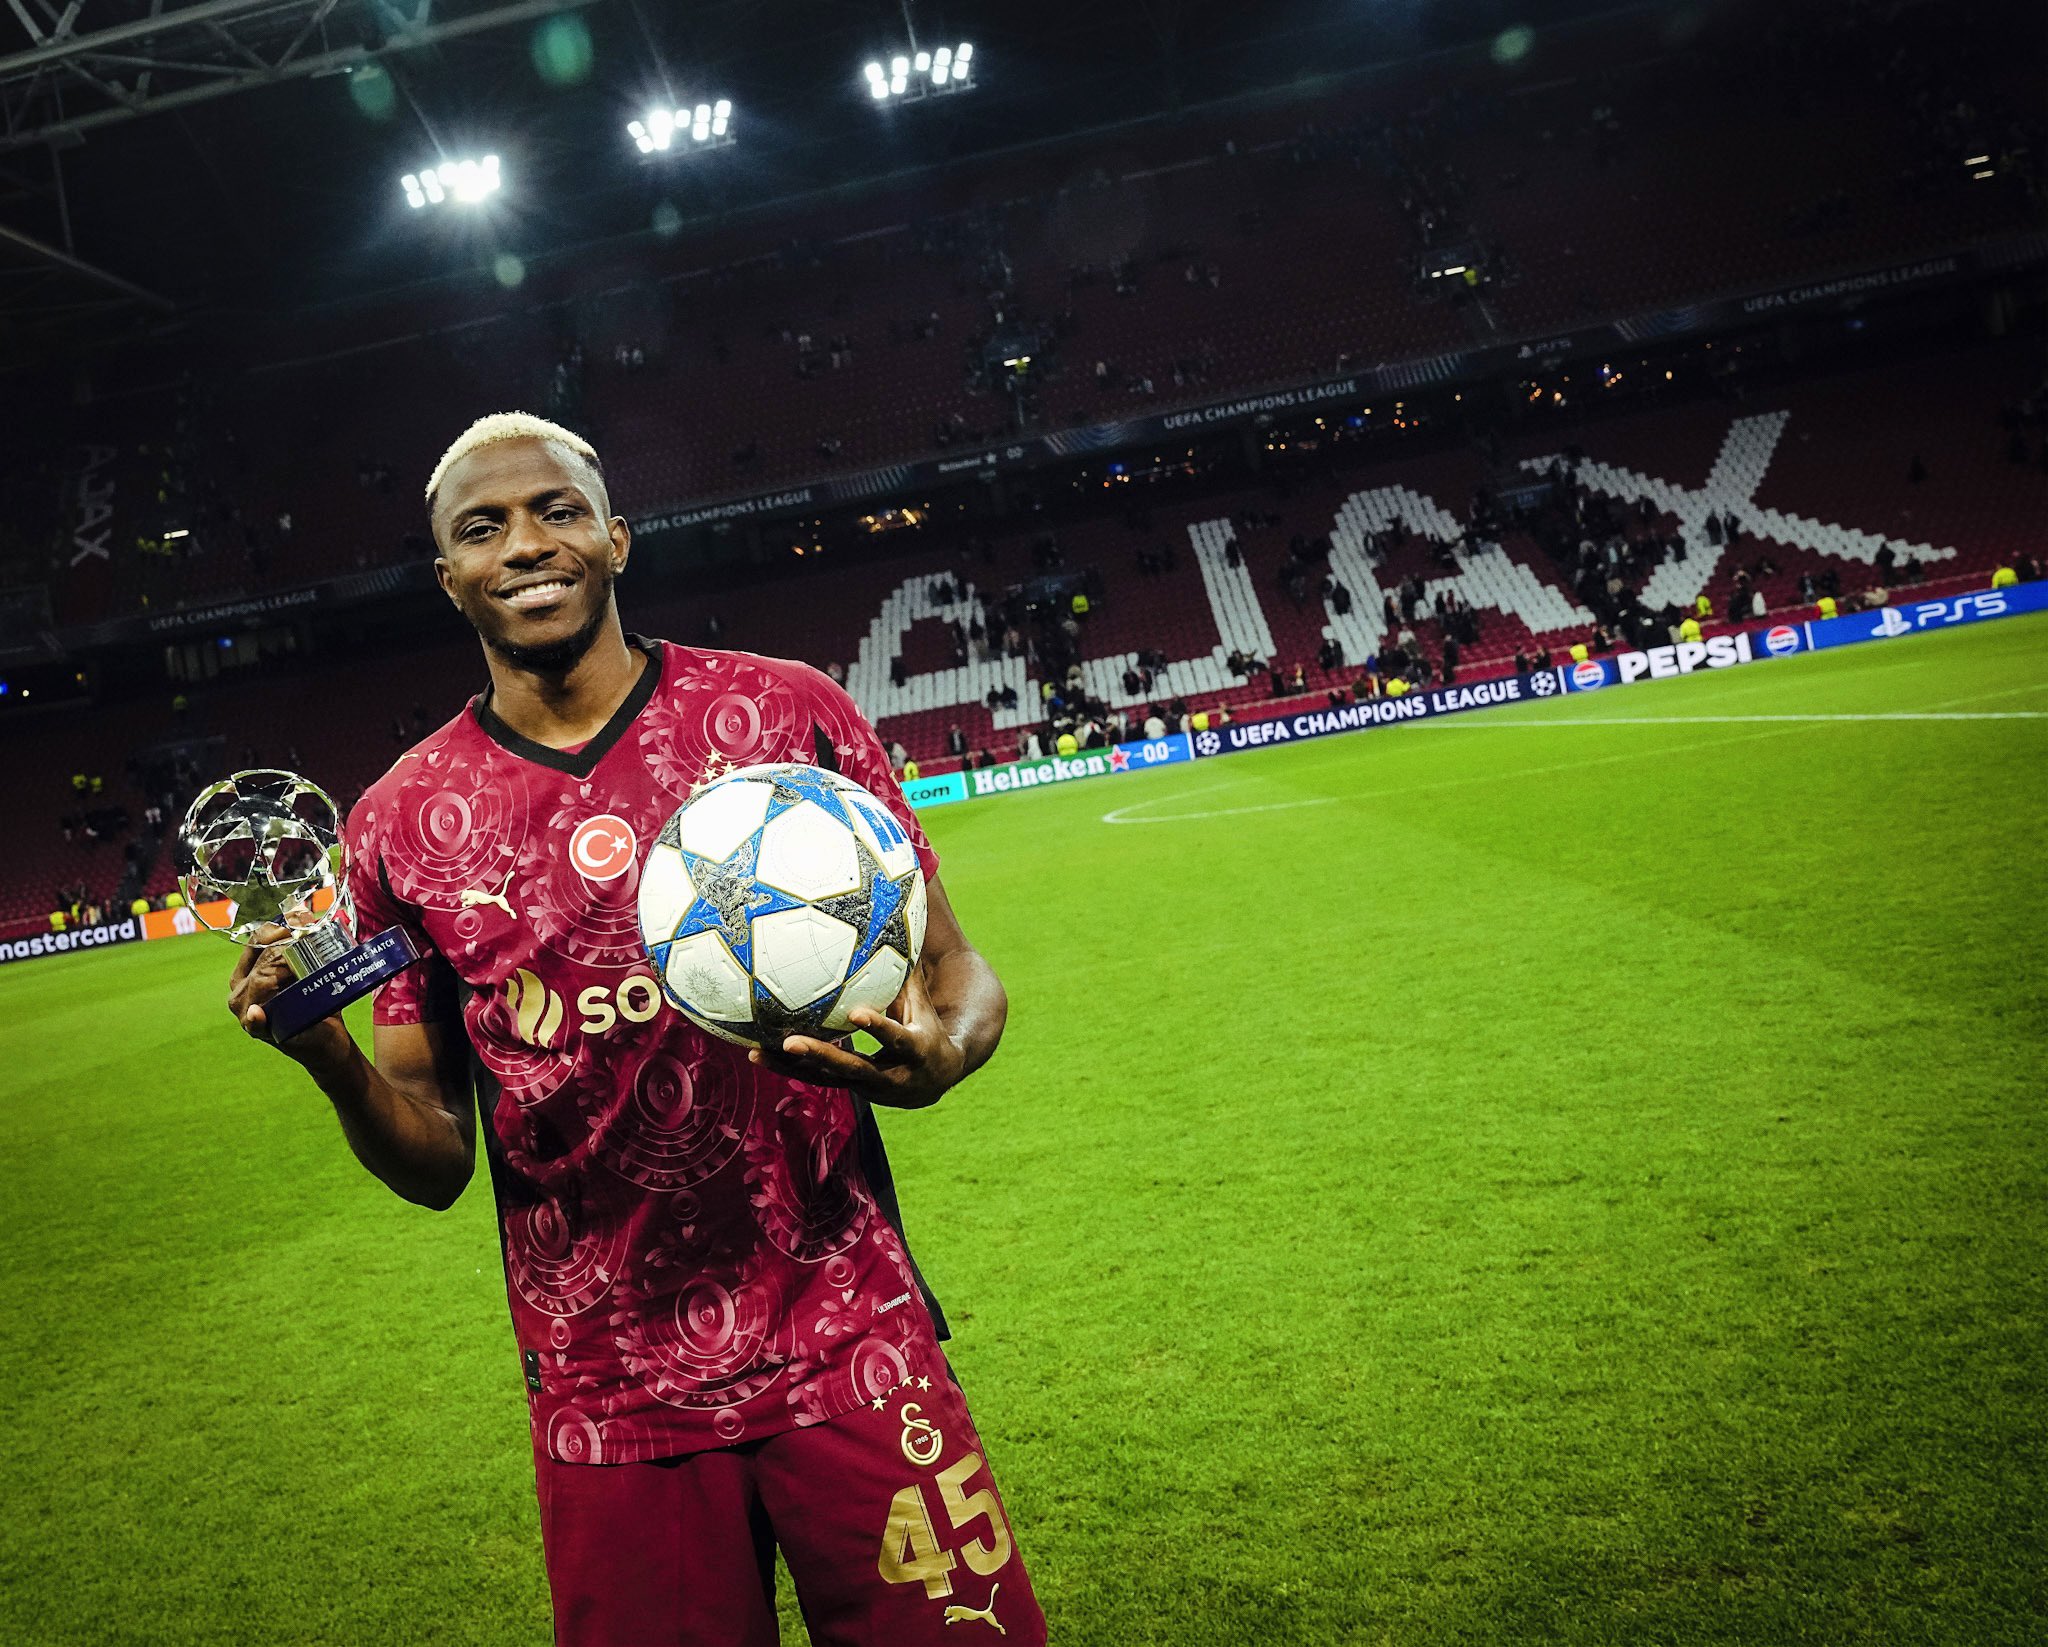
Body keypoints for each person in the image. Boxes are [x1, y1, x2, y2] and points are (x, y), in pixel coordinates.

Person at [223, 413, 1045, 1647]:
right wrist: (329, 1060)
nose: (525, 545)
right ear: (447, 577)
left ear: (614, 535)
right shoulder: (400, 823)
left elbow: (956, 971)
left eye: (556, 510)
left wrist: (947, 1053)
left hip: (847, 1338)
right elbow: (438, 1155)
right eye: (481, 528)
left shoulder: (785, 713)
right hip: (605, 1395)